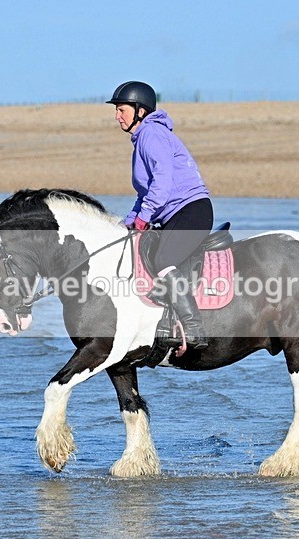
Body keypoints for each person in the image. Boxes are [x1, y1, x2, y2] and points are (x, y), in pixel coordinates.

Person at [107, 81, 213, 350]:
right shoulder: (143, 138)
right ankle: (163, 324)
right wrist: (128, 222)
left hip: (191, 210)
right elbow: (145, 194)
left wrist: (143, 217)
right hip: (174, 213)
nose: (117, 116)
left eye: (121, 110)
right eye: (117, 111)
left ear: (140, 111)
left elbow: (162, 182)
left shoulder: (151, 134)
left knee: (163, 258)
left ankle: (193, 327)